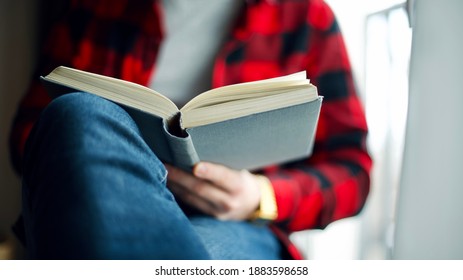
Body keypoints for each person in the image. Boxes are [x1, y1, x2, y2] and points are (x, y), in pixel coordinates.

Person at [9, 0, 372, 259]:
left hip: (235, 223)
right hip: (104, 196)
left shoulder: (305, 17)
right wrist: (115, 147)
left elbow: (353, 171)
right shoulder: (95, 10)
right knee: (78, 111)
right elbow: (28, 135)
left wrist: (260, 196)